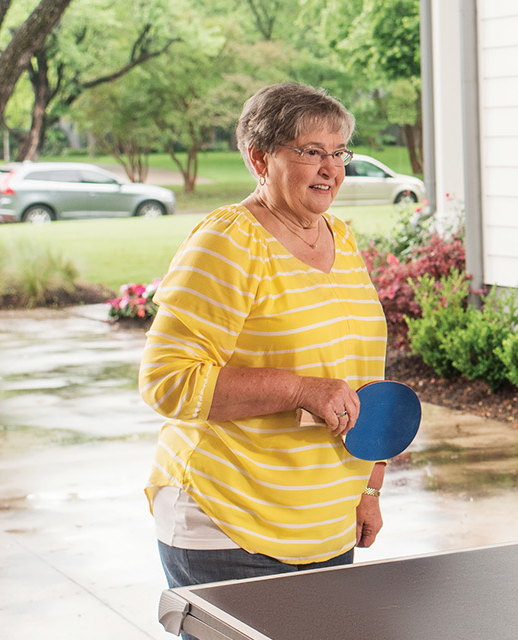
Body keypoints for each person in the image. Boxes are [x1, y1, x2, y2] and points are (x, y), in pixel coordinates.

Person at [140, 83, 388, 596]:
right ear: (259, 158)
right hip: (229, 522)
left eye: (338, 152)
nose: (330, 168)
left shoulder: (340, 236)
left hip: (325, 522)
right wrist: (300, 390)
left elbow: (363, 372)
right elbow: (167, 381)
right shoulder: (228, 241)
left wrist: (369, 489)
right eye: (311, 152)